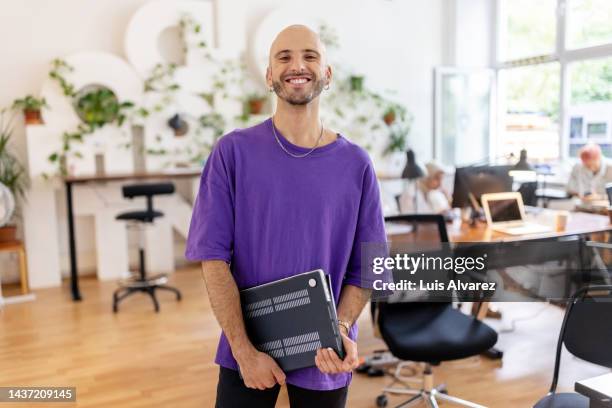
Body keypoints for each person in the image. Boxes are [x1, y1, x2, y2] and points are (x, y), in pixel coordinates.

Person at [185, 25, 387, 407]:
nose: (298, 65)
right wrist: (244, 351)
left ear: (327, 75)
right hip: (247, 343)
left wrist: (340, 328)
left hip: (324, 351)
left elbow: (370, 265)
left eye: (311, 56)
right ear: (269, 75)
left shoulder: (357, 164)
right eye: (284, 57)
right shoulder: (232, 153)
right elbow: (213, 259)